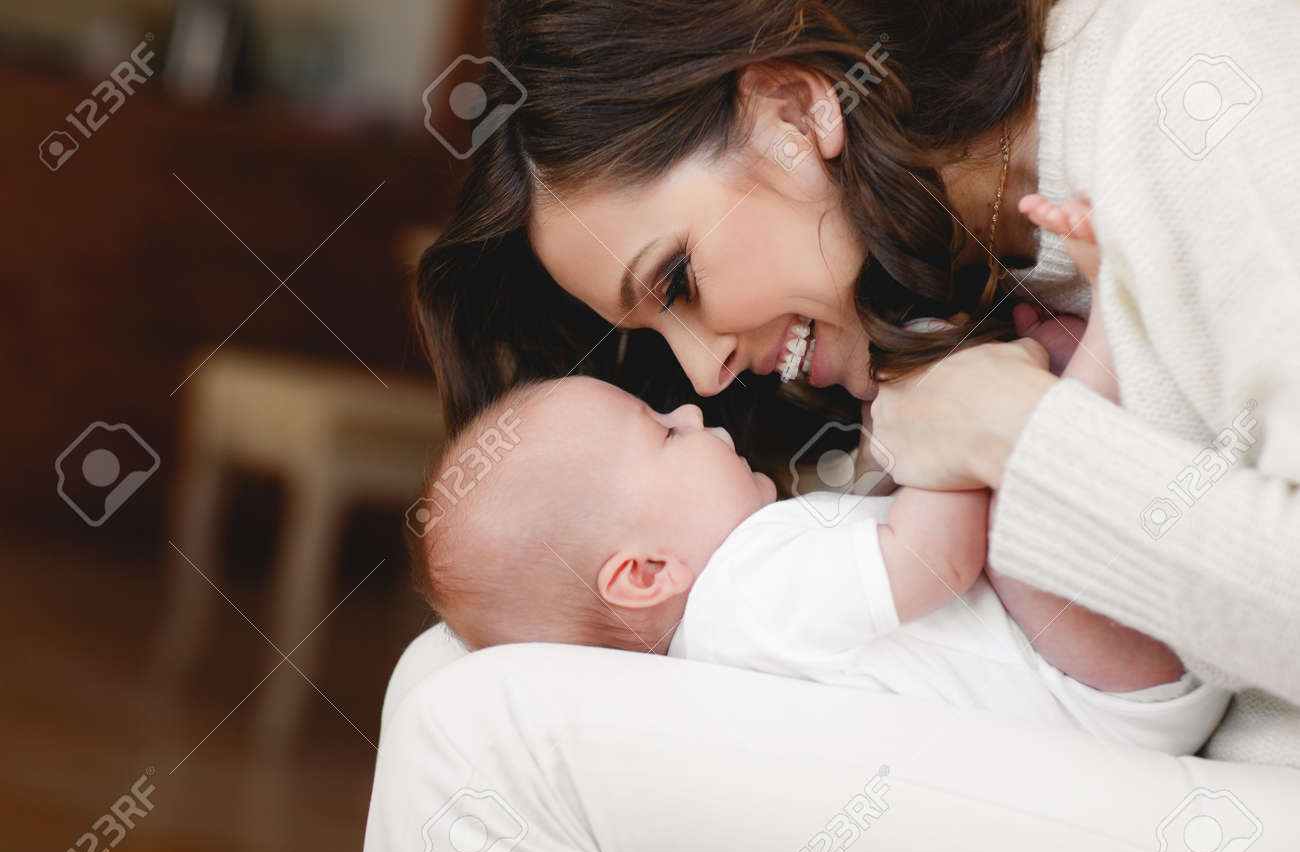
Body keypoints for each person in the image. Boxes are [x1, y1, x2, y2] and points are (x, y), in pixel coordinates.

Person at [416, 0, 1300, 766]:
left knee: (459, 721)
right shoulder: (940, 289)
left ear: (793, 114)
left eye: (678, 277)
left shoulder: (1195, 93)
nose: (701, 375)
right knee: (444, 678)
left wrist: (1016, 434)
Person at [413, 375, 1228, 755]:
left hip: (1106, 685)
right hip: (1101, 688)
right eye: (663, 430)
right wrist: (947, 419)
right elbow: (934, 560)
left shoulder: (732, 629)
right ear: (646, 571)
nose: (693, 411)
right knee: (1011, 473)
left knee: (1006, 447)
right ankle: (1113, 321)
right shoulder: (744, 595)